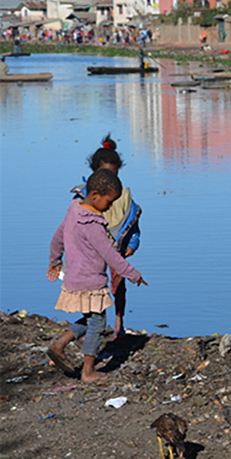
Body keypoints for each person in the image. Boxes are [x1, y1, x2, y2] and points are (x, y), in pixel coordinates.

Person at [47, 169, 147, 381]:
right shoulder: (93, 225)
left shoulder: (73, 210)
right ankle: (88, 371)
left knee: (90, 318)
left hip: (74, 276)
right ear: (95, 196)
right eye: (109, 202)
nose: (110, 207)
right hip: (90, 280)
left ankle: (59, 345)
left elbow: (57, 237)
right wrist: (133, 273)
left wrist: (55, 262)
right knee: (98, 325)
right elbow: (110, 254)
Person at [73, 136, 142, 337]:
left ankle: (119, 319)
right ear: (94, 172)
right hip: (88, 253)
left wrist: (133, 244)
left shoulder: (123, 197)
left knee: (118, 285)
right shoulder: (82, 196)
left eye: (113, 175)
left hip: (114, 250)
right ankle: (92, 322)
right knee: (91, 289)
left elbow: (132, 224)